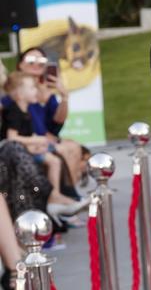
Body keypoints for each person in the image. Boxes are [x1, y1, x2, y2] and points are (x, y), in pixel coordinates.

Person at [1, 72, 88, 219]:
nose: (36, 90)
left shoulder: (26, 111)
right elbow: (11, 138)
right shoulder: (14, 112)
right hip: (14, 153)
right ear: (19, 93)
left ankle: (59, 197)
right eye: (32, 88)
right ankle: (54, 198)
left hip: (26, 149)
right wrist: (35, 142)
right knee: (52, 161)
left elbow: (29, 134)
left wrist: (39, 141)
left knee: (55, 158)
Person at [14, 47, 89, 191]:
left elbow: (57, 123)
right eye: (30, 60)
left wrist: (64, 97)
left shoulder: (46, 91)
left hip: (46, 137)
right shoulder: (17, 90)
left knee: (74, 147)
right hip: (29, 140)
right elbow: (21, 120)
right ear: (20, 65)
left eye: (41, 60)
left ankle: (68, 196)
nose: (36, 63)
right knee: (64, 149)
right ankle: (67, 197)